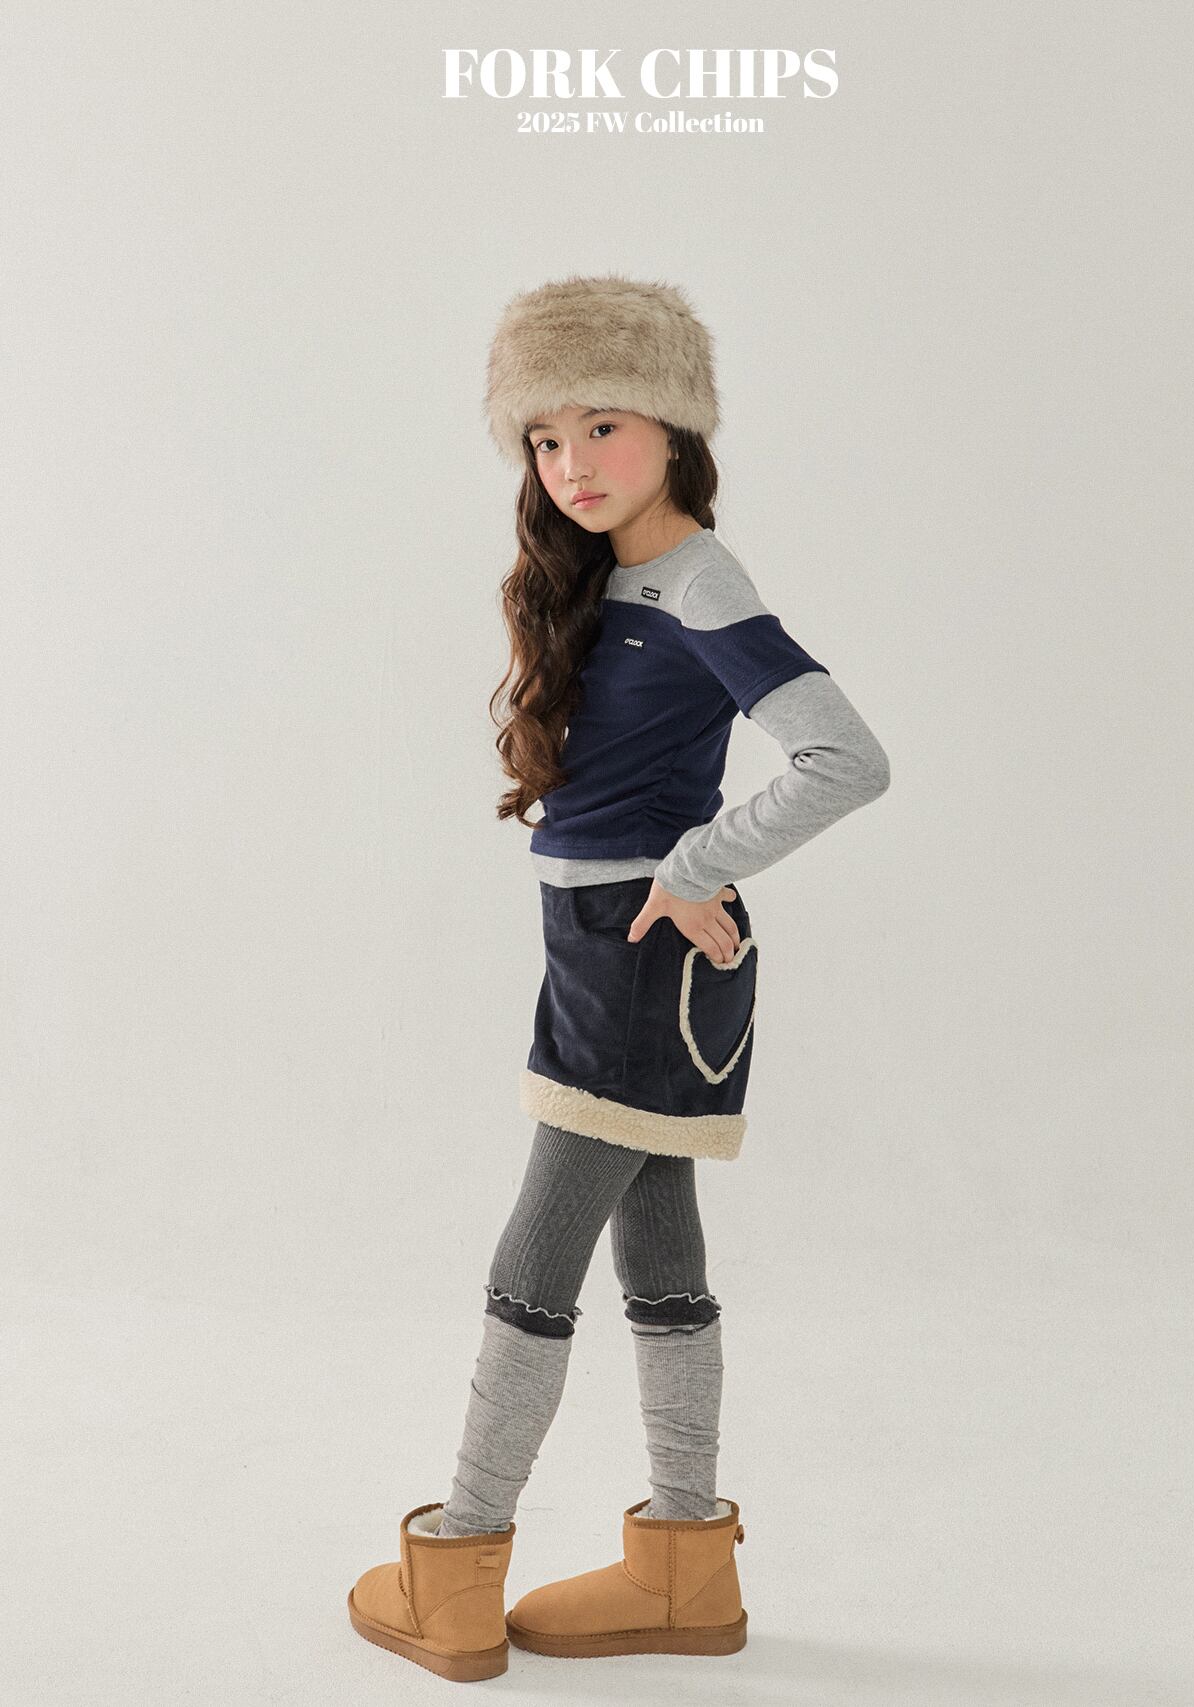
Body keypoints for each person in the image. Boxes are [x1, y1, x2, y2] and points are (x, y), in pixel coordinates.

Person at [347, 273, 891, 1681]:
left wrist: (701, 863)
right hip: (610, 945)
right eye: (544, 437)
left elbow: (847, 758)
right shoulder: (613, 576)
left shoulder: (701, 578)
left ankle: (458, 1567)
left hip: (645, 950)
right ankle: (684, 1570)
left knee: (536, 1257)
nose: (572, 463)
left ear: (674, 427)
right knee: (659, 1249)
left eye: (603, 425)